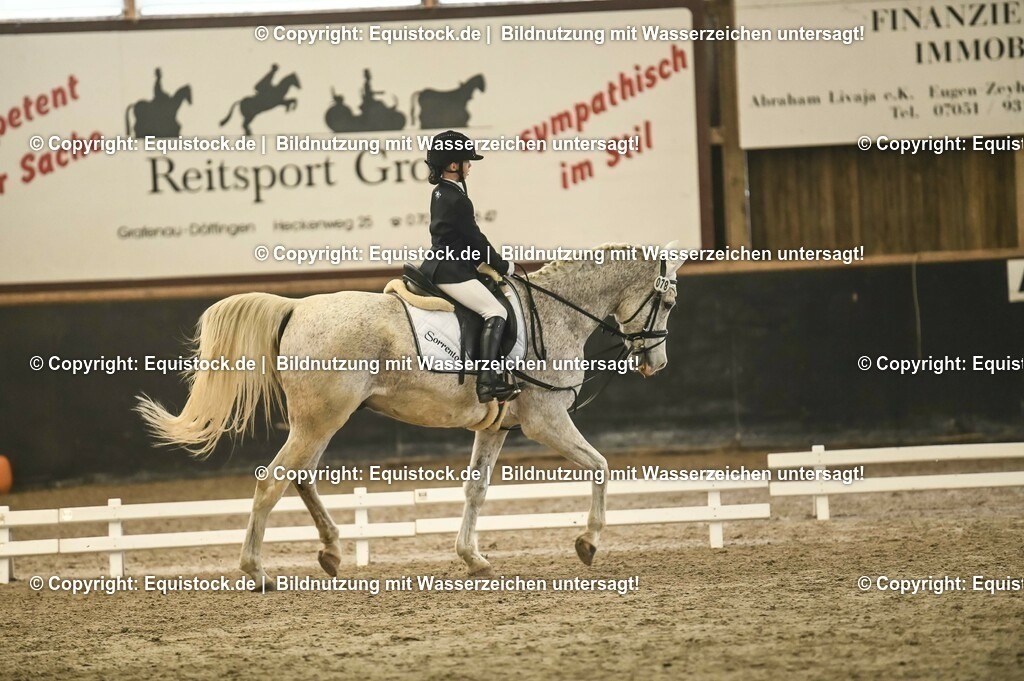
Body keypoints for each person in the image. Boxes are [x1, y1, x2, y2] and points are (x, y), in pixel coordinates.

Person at [420, 130, 520, 403]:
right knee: (496, 311)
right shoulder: (457, 199)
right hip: (450, 270)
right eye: (466, 161)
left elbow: (457, 238)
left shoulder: (440, 192)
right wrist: (503, 265)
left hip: (440, 263)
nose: (470, 165)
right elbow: (476, 239)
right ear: (453, 166)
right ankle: (487, 384)